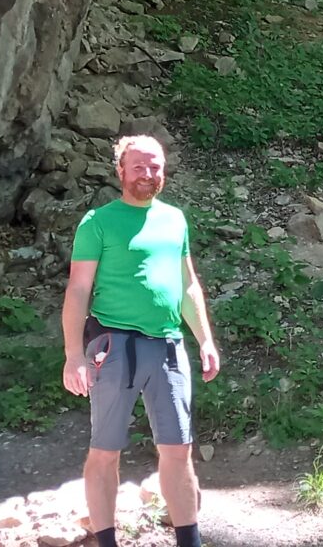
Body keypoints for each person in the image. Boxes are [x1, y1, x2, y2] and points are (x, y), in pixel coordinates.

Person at [62, 134, 221, 547]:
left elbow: (188, 286)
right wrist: (73, 355)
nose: (148, 174)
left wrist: (204, 339)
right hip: (114, 348)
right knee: (105, 449)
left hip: (169, 347)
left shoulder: (175, 219)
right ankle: (107, 540)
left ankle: (190, 541)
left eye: (155, 167)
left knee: (178, 449)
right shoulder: (98, 222)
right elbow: (78, 289)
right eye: (139, 166)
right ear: (121, 171)